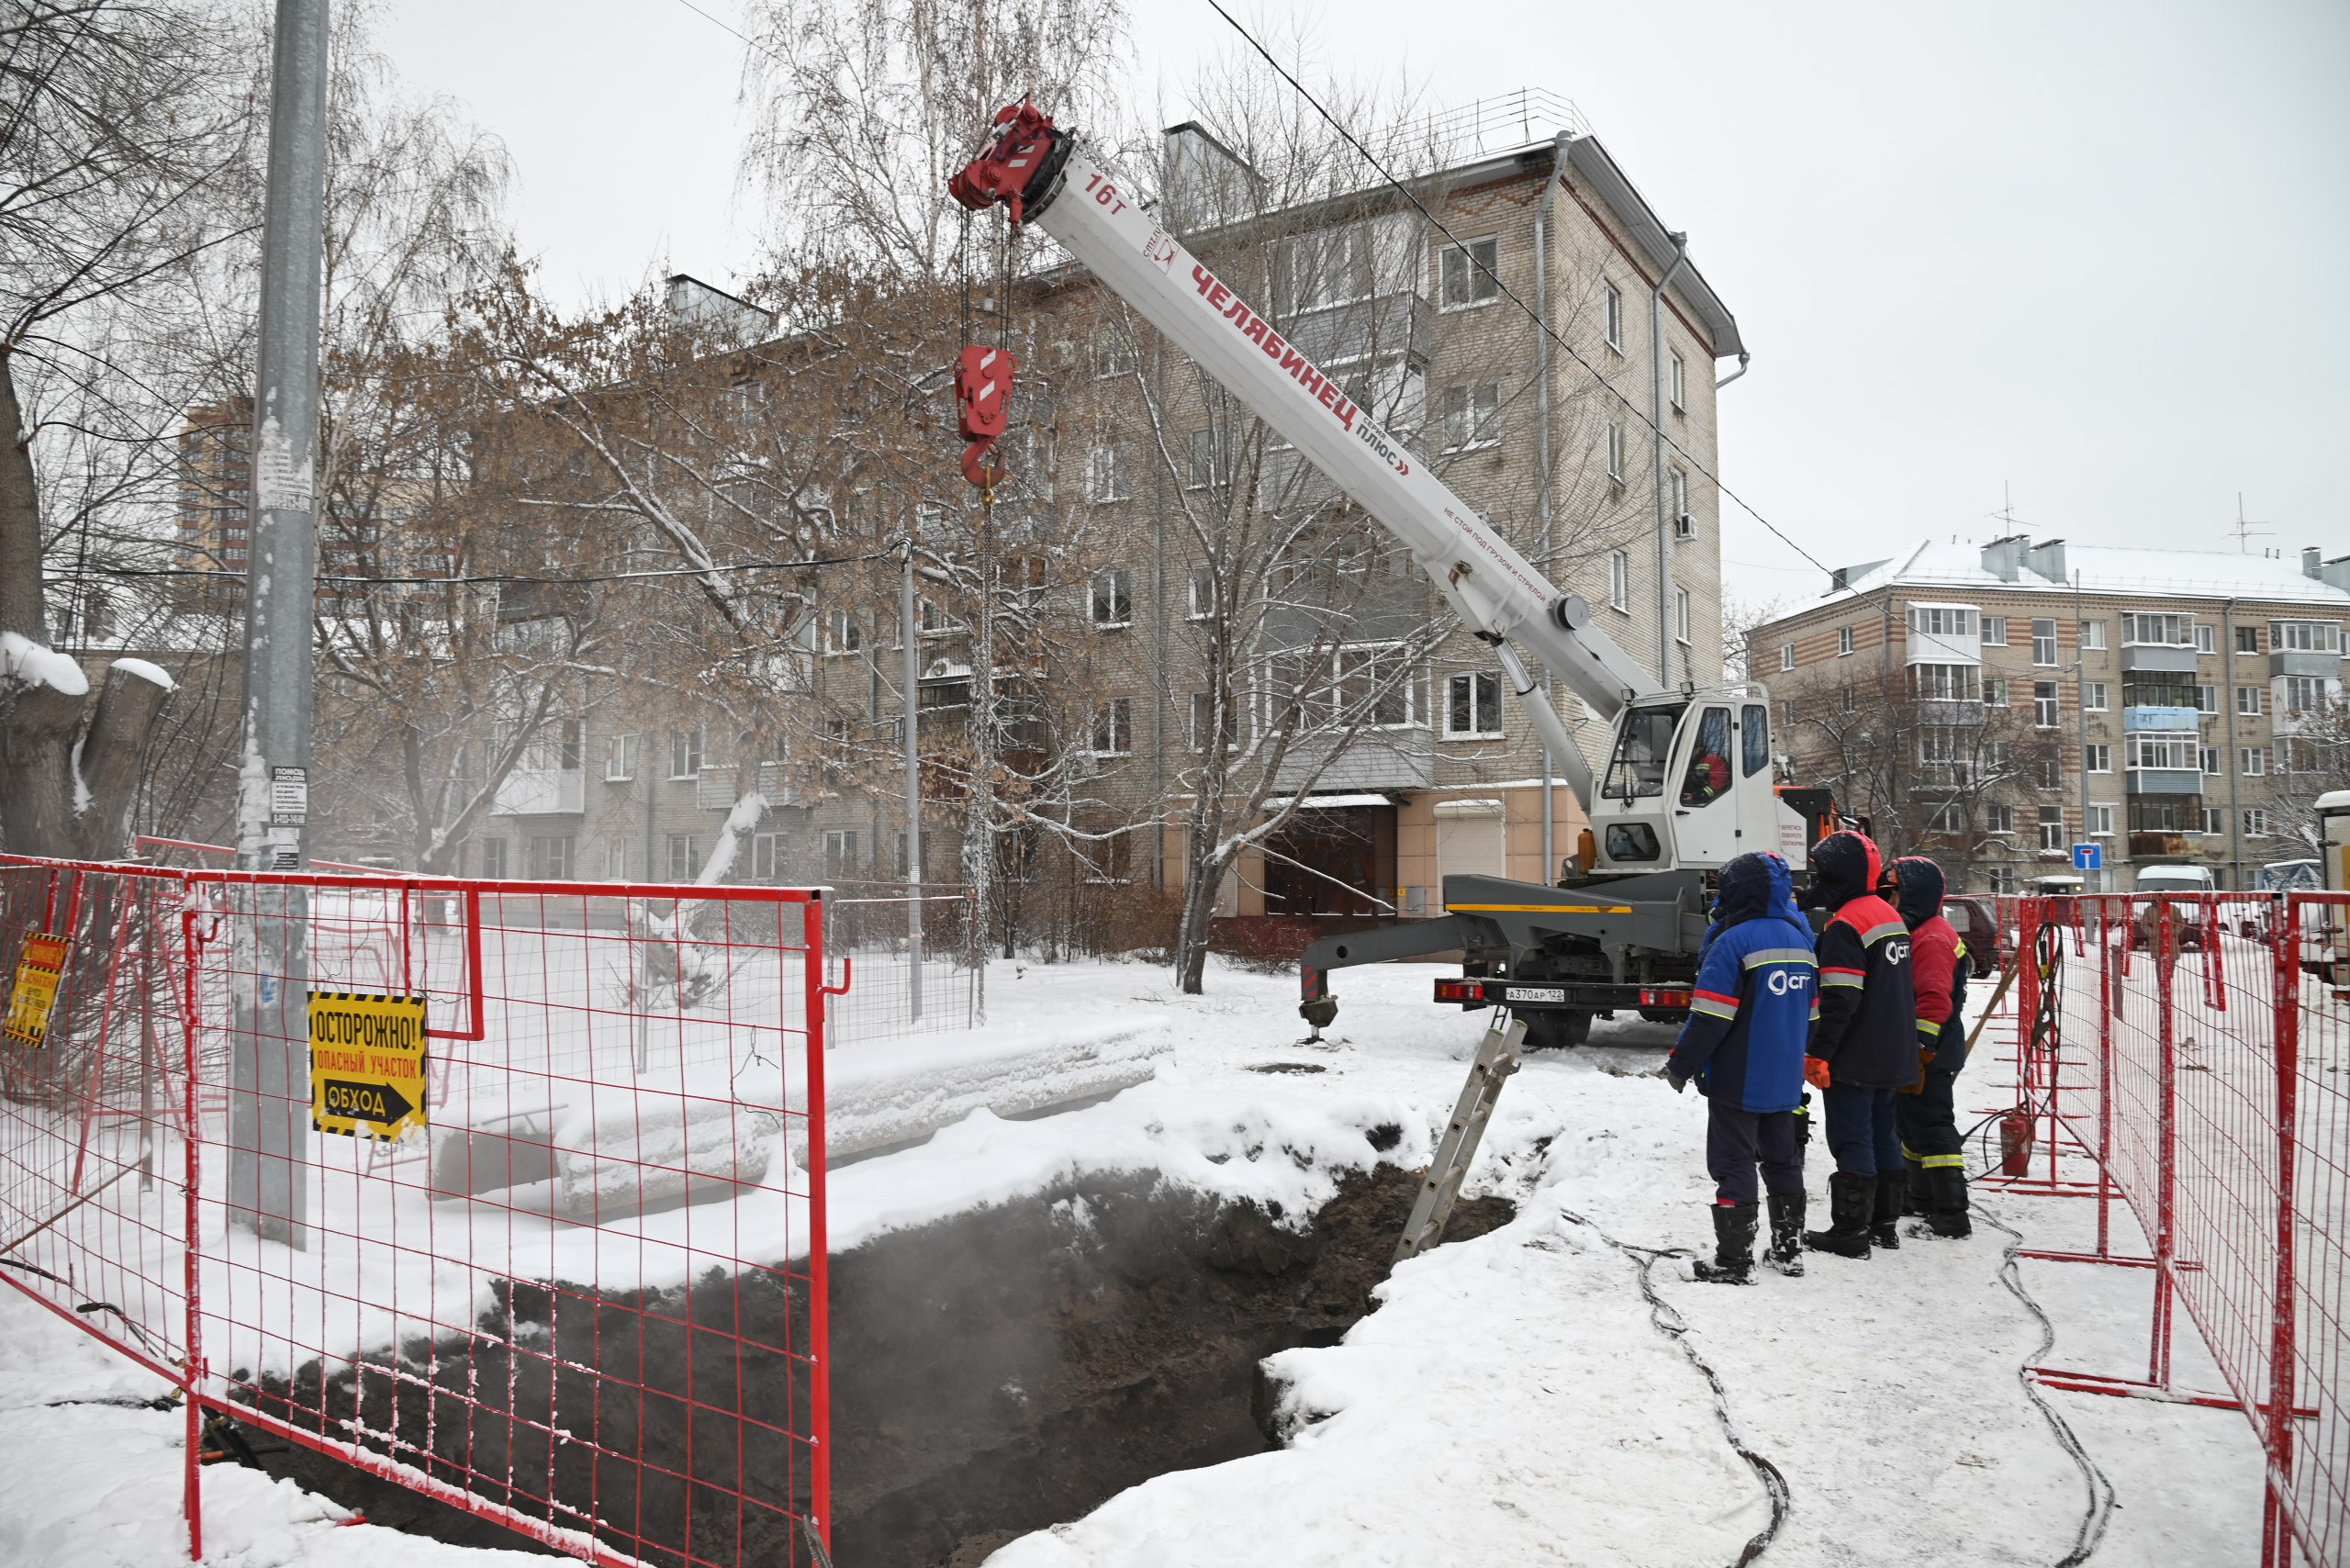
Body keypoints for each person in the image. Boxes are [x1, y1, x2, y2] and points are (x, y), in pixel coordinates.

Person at [1664, 850, 1818, 1283]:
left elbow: (1710, 1017)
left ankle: (1734, 1261)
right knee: (1783, 1162)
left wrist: (1680, 1064)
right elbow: (1812, 1016)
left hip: (1739, 1076)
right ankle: (1789, 1253)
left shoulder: (1732, 941)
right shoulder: (1800, 941)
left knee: (1734, 1163)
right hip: (1786, 1078)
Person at [1800, 831, 1919, 1259]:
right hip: (1893, 1049)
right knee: (1884, 1133)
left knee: (1852, 1137)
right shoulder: (1887, 915)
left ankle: (1849, 1232)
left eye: (1820, 872)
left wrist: (1820, 1053)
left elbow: (1839, 1000)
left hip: (1856, 1052)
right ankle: (1884, 1225)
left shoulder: (1845, 924)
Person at [1891, 855, 1972, 1238]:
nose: (1890, 902)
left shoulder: (1932, 937)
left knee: (1933, 1125)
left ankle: (1951, 1212)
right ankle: (1920, 1197)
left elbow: (1934, 998)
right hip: (1921, 1048)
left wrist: (1923, 1047)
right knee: (1910, 1123)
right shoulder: (1924, 930)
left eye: (1895, 893)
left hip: (1932, 1050)